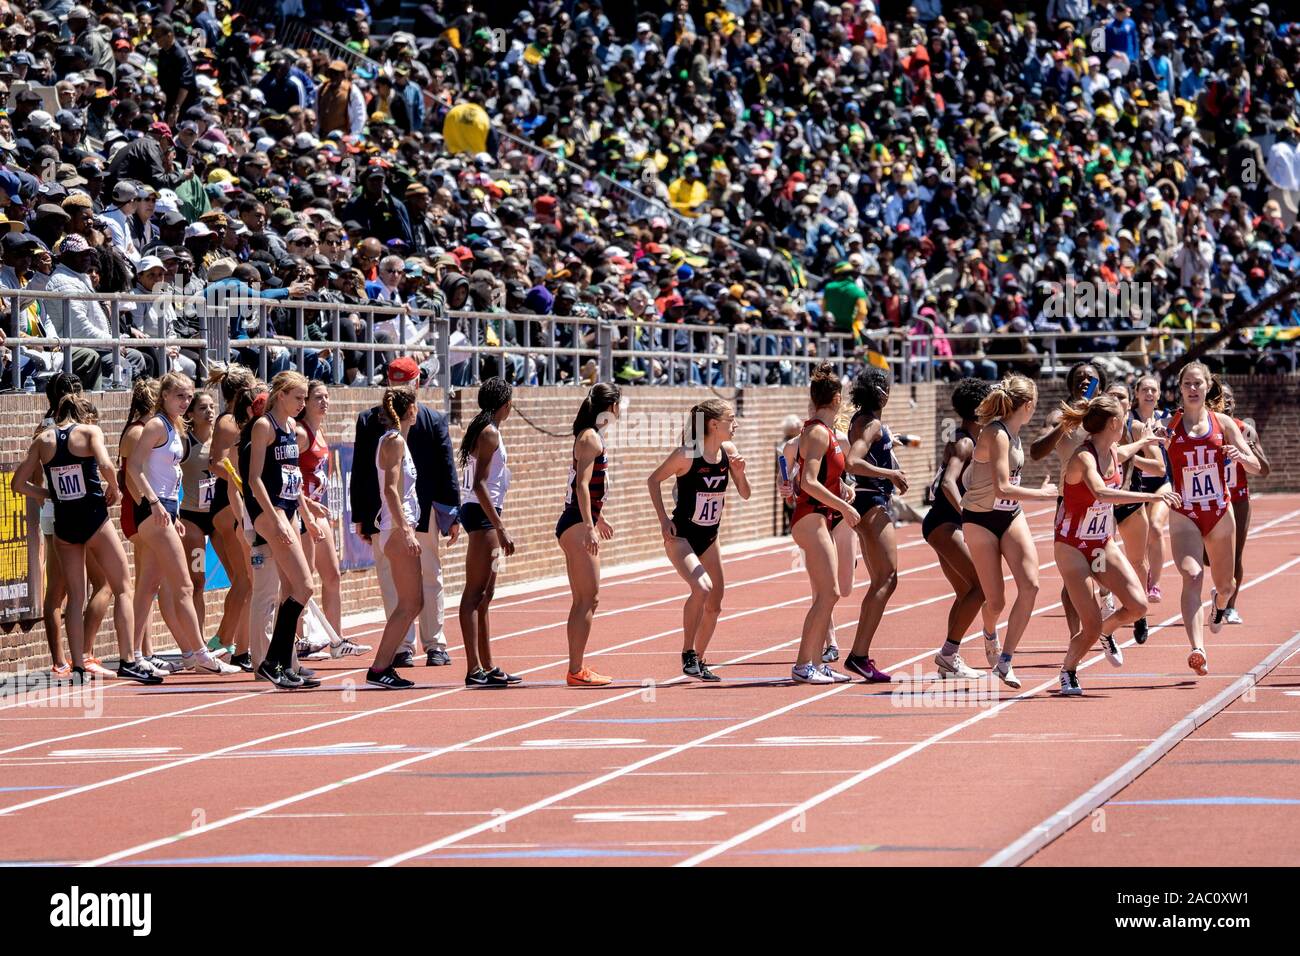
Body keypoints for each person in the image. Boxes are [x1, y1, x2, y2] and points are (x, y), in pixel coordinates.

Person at [12, 392, 157, 684]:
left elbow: (18, 483)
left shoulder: (44, 440)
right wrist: (114, 488)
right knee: (123, 587)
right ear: (83, 415)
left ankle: (77, 665)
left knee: (75, 597)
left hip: (65, 521)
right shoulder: (90, 432)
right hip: (93, 518)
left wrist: (47, 494)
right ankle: (128, 658)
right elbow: (105, 464)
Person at [1054, 395, 1182, 697]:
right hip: (1072, 546)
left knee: (1138, 606)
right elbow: (1100, 492)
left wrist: (1149, 439)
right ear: (1114, 423)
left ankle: (1109, 631)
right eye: (1125, 416)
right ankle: (1068, 670)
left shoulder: (1111, 449)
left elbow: (1123, 452)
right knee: (1090, 624)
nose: (1127, 421)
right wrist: (1151, 498)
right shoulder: (1084, 457)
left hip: (1101, 543)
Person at [126, 372, 240, 676]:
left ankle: (133, 655)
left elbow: (166, 474)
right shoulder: (155, 426)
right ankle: (197, 653)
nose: (185, 401)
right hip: (155, 511)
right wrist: (153, 503)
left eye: (189, 396)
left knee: (149, 586)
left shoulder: (174, 427)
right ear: (164, 395)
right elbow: (134, 469)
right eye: (179, 395)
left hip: (167, 512)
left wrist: (172, 514)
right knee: (186, 584)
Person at [350, 357, 460, 668]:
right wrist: (360, 514)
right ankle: (401, 646)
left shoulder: (432, 419)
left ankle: (434, 642)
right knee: (391, 579)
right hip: (385, 515)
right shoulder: (369, 420)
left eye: (404, 383)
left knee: (429, 575)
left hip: (422, 513)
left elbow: (445, 468)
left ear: (416, 384)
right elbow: (360, 472)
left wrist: (452, 514)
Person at [961, 374, 1059, 690]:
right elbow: (1003, 485)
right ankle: (989, 632)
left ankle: (1006, 659)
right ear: (1028, 405)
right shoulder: (997, 434)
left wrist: (1034, 490)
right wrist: (1043, 495)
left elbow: (1007, 487)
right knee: (996, 601)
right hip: (980, 520)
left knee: (1030, 585)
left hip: (1009, 514)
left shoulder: (1014, 434)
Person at [1165, 363, 1261, 675]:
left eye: (1198, 384)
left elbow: (1255, 466)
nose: (1193, 389)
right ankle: (1198, 648)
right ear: (1180, 388)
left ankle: (1219, 606)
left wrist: (1240, 456)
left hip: (1219, 511)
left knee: (1226, 584)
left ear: (1208, 387)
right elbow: (1149, 460)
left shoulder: (1222, 423)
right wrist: (1150, 442)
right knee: (1192, 575)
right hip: (1185, 512)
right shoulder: (1170, 425)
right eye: (1187, 384)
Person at [647, 398, 750, 682]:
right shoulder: (687, 454)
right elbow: (653, 480)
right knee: (702, 587)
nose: (736, 424)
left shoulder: (728, 452)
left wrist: (740, 474)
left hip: (709, 536)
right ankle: (687, 653)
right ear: (714, 424)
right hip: (681, 535)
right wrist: (663, 520)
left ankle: (699, 661)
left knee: (715, 603)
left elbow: (745, 493)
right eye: (731, 419)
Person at [239, 370, 323, 689]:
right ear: (281, 394)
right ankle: (272, 661)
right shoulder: (265, 426)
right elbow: (254, 478)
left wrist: (303, 511)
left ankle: (283, 662)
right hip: (269, 511)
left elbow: (293, 477)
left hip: (287, 509)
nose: (303, 404)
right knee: (304, 587)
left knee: (292, 589)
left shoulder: (291, 427)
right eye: (298, 397)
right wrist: (274, 519)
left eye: (305, 398)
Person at [789, 364, 860, 684]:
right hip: (810, 516)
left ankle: (816, 662)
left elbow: (824, 480)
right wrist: (844, 506)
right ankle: (804, 663)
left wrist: (842, 488)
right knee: (828, 593)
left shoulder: (828, 433)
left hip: (821, 515)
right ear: (835, 400)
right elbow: (808, 482)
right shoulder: (817, 432)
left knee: (828, 593)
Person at [1030, 361, 1107, 642]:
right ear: (1071, 384)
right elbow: (1036, 451)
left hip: (1103, 503)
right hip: (1071, 503)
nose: (1085, 381)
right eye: (1079, 377)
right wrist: (1066, 424)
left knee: (1102, 571)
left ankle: (1104, 606)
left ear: (1101, 384)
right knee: (1072, 575)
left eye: (1091, 377)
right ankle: (1077, 635)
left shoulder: (1107, 414)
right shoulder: (1058, 415)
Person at [842, 367, 908, 682]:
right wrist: (890, 474)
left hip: (869, 500)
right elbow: (852, 462)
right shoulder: (871, 423)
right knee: (887, 578)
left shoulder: (862, 420)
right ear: (881, 393)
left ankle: (859, 653)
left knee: (883, 579)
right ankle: (858, 654)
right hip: (869, 501)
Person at [556, 383, 623, 687]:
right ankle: (576, 669)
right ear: (610, 408)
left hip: (576, 522)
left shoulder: (588, 436)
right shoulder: (591, 438)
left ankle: (576, 666)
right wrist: (589, 526)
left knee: (583, 599)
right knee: (588, 599)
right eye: (619, 407)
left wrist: (599, 518)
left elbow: (588, 487)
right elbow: (580, 486)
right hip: (575, 525)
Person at [296, 380, 369, 656]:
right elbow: (291, 475)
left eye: (327, 397)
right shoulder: (301, 433)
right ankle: (300, 639)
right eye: (318, 397)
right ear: (306, 402)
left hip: (320, 509)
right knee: (304, 580)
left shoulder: (319, 431)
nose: (324, 402)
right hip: (303, 513)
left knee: (333, 576)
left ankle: (336, 639)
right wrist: (307, 509)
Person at [926, 378, 992, 680]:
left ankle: (949, 658)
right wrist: (967, 515)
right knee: (981, 588)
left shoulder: (971, 439)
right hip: (945, 522)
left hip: (943, 522)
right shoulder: (965, 441)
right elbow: (949, 482)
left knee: (967, 591)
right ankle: (949, 654)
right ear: (981, 409)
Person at [458, 377, 520, 687]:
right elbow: (480, 483)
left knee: (486, 594)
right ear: (504, 404)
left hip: (486, 515)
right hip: (483, 516)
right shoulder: (489, 433)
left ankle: (488, 664)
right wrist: (501, 526)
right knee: (474, 593)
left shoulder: (488, 430)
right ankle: (473, 669)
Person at [365, 386, 423, 690]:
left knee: (413, 602)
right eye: (416, 406)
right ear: (410, 410)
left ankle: (383, 665)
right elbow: (389, 489)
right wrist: (406, 530)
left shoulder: (397, 441)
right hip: (397, 529)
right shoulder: (394, 441)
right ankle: (380, 666)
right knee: (409, 603)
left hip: (399, 527)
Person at [205, 365, 259, 671]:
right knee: (244, 581)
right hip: (228, 506)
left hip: (240, 501)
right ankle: (223, 641)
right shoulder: (228, 422)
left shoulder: (246, 420)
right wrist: (239, 477)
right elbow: (216, 462)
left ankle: (238, 645)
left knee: (248, 583)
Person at [1107, 382, 1169, 645]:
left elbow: (1159, 467)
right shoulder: (1096, 428)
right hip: (1104, 505)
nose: (1117, 400)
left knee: (1136, 561)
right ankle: (1103, 607)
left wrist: (1130, 456)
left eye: (1121, 397)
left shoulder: (1135, 429)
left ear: (1128, 401)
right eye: (1112, 396)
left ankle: (1139, 612)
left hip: (1131, 503)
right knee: (1097, 562)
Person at [1220, 384, 1270, 623]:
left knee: (1235, 555)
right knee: (1206, 555)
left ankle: (1230, 606)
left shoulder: (1245, 429)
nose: (1226, 401)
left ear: (1235, 402)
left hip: (1238, 498)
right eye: (1222, 397)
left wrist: (1251, 451)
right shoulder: (1206, 427)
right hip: (1211, 499)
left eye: (1230, 397)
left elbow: (1265, 470)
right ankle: (1221, 587)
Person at [177, 390, 218, 642]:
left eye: (212, 406)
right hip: (192, 518)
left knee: (242, 579)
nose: (210, 411)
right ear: (191, 413)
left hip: (217, 518)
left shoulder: (221, 440)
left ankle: (229, 639)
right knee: (198, 580)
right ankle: (198, 640)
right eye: (203, 408)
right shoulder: (185, 443)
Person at [1131, 375, 1172, 603]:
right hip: (1136, 486)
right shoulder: (1129, 421)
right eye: (1145, 389)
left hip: (1161, 483)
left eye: (1153, 390)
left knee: (1156, 527)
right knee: (1141, 537)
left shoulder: (1167, 420)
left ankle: (1154, 584)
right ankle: (1141, 580)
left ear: (1158, 394)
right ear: (1136, 393)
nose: (1149, 394)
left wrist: (1167, 440)